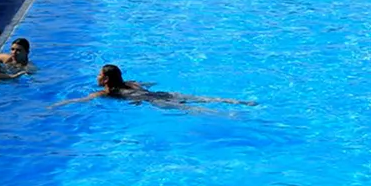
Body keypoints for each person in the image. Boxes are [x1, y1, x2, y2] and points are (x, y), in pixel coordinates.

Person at [60, 64, 254, 107]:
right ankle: (237, 102)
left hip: (153, 102)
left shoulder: (106, 93)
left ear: (106, 80)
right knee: (202, 98)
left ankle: (230, 114)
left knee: (193, 109)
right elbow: (148, 83)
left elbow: (81, 99)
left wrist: (58, 105)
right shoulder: (132, 82)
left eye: (99, 74)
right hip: (160, 93)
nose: (97, 76)